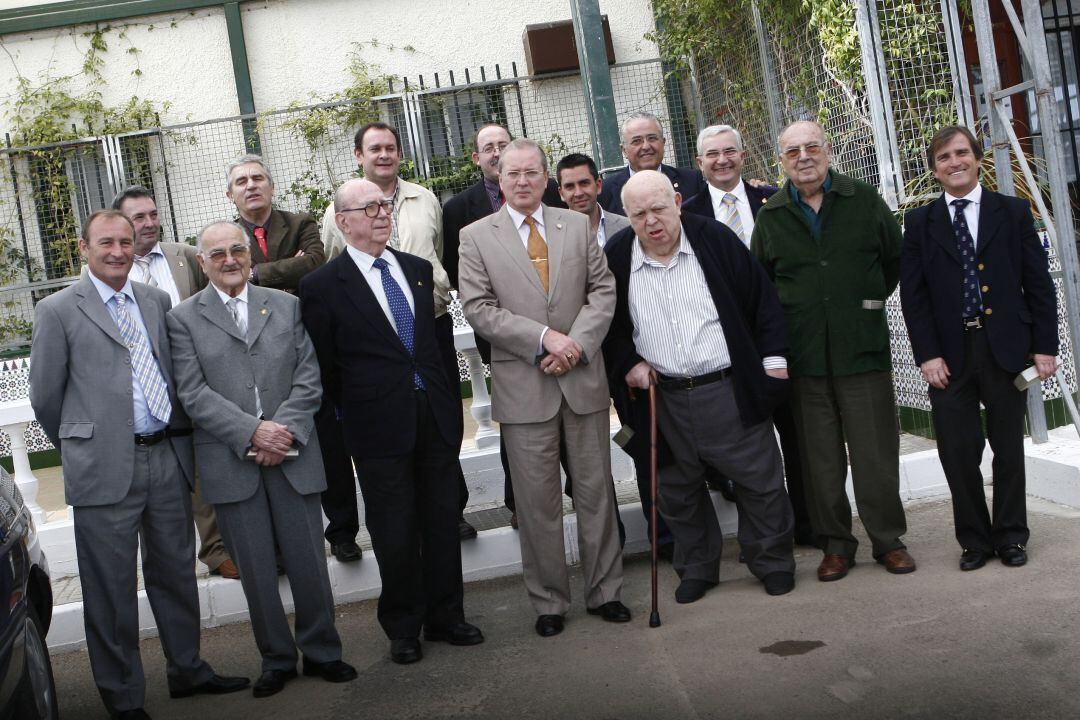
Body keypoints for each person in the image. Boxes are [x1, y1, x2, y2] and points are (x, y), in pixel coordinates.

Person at [29, 210, 248, 719]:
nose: (117, 251)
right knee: (110, 590)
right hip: (103, 468)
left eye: (125, 242)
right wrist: (87, 448)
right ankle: (123, 697)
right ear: (83, 248)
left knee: (174, 573)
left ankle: (188, 669)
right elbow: (46, 399)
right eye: (105, 242)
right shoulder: (58, 310)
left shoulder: (154, 300)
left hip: (165, 459)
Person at [168, 221, 357, 698]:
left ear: (250, 254)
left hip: (292, 456)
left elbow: (309, 377)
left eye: (237, 250)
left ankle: (322, 651)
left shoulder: (288, 305)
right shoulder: (183, 319)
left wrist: (281, 433)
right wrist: (252, 432)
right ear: (201, 262)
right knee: (255, 570)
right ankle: (276, 658)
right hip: (232, 462)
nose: (229, 260)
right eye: (218, 254)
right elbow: (192, 393)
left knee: (309, 562)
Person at [300, 179, 483, 665]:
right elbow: (326, 368)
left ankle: (448, 616)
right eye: (370, 207)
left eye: (385, 206)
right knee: (394, 529)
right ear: (343, 221)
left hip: (435, 417)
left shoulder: (418, 270)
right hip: (376, 426)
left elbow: (431, 349)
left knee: (441, 520)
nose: (383, 214)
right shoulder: (321, 287)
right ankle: (404, 626)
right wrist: (361, 409)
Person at [458, 138, 628, 637]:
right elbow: (479, 307)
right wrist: (542, 339)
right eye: (513, 174)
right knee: (537, 504)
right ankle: (550, 601)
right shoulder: (475, 237)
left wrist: (574, 345)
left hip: (582, 381)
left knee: (597, 494)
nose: (523, 181)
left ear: (545, 178)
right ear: (500, 178)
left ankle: (607, 592)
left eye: (532, 172)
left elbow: (603, 291)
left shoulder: (574, 225)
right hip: (522, 388)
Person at [604, 170, 797, 601]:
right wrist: (628, 363)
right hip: (661, 396)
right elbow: (608, 328)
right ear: (626, 216)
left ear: (677, 201)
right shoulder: (617, 256)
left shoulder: (714, 239)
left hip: (727, 388)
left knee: (760, 481)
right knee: (675, 491)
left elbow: (761, 301)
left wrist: (774, 364)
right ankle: (697, 568)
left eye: (658, 209)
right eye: (639, 215)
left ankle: (772, 561)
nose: (652, 222)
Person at [751, 120, 916, 581]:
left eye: (811, 147)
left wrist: (863, 304)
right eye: (792, 151)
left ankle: (888, 540)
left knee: (876, 455)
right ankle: (836, 545)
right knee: (820, 461)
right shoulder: (772, 216)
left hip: (860, 350)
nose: (803, 157)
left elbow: (893, 259)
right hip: (805, 358)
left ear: (827, 150)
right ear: (780, 160)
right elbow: (761, 286)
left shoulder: (862, 200)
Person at [900, 125, 1058, 571]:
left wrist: (1044, 347)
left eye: (961, 153)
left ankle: (1010, 536)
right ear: (935, 169)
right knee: (957, 450)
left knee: (1008, 447)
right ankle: (974, 541)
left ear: (976, 157)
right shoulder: (920, 223)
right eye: (945, 157)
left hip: (1005, 348)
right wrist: (927, 355)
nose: (955, 163)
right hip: (948, 357)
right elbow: (914, 296)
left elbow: (1038, 284)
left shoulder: (1012, 212)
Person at [321, 121, 477, 544]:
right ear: (360, 156)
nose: (384, 154)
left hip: (431, 325)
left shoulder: (425, 199)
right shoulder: (339, 208)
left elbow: (439, 254)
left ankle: (452, 509)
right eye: (375, 149)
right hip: (377, 347)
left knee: (441, 422)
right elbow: (337, 271)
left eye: (391, 147)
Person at [681, 125, 814, 546]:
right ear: (699, 163)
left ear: (742, 156)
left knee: (797, 437)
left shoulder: (774, 200)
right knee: (741, 446)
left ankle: (808, 526)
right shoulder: (688, 215)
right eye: (712, 154)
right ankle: (760, 535)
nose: (722, 160)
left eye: (729, 152)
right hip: (725, 348)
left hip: (783, 340)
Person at [441, 123, 568, 529]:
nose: (497, 153)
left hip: (563, 336)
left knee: (568, 418)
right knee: (517, 428)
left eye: (503, 144)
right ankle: (519, 505)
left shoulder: (549, 195)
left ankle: (577, 492)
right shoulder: (459, 209)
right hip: (503, 340)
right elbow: (459, 276)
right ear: (478, 159)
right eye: (487, 148)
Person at [110, 185, 239, 580]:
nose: (149, 223)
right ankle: (193, 557)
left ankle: (223, 549)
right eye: (139, 218)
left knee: (208, 461)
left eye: (153, 214)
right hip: (148, 390)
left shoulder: (182, 256)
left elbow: (213, 304)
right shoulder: (108, 270)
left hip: (197, 378)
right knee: (172, 474)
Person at [557, 151, 664, 552]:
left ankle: (662, 534)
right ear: (560, 192)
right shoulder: (553, 233)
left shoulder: (628, 225)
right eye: (569, 186)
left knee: (640, 439)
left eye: (584, 183)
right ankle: (609, 542)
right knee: (587, 458)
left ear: (599, 184)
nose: (578, 192)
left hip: (629, 355)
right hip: (580, 359)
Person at [225, 154, 325, 293]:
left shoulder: (300, 223)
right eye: (241, 181)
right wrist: (292, 270)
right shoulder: (225, 238)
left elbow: (315, 263)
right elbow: (227, 284)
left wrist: (254, 273)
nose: (251, 185)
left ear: (272, 188)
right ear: (230, 195)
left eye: (257, 178)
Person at [598, 112, 705, 216]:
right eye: (637, 141)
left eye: (652, 138)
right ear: (624, 150)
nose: (646, 146)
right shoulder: (605, 192)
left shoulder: (692, 181)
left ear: (663, 143)